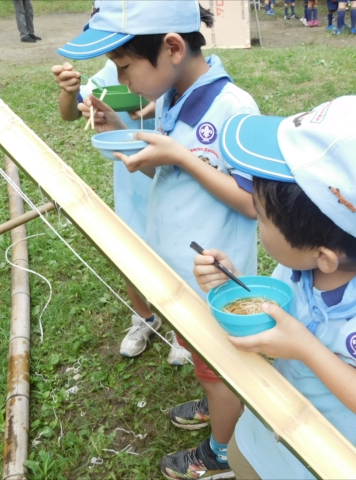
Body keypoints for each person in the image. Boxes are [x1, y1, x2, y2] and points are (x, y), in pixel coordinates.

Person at [193, 96, 356, 479]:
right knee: (246, 462)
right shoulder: (303, 266)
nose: (258, 223)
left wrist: (306, 348)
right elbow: (280, 319)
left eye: (262, 219)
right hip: (271, 431)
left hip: (334, 464)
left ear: (325, 257)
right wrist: (235, 286)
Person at [56, 2, 259, 478]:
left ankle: (223, 452)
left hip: (212, 282)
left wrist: (184, 158)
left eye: (126, 68)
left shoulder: (233, 109)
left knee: (223, 371)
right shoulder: (173, 96)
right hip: (179, 274)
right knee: (206, 364)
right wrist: (123, 131)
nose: (122, 82)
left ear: (171, 48)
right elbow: (171, 165)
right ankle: (216, 404)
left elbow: (253, 203)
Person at [51, 59, 191, 365]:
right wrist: (70, 91)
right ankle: (145, 317)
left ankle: (186, 332)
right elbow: (72, 111)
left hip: (172, 178)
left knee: (177, 254)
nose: (123, 71)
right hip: (132, 183)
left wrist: (151, 105)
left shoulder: (169, 65)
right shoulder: (113, 66)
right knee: (132, 252)